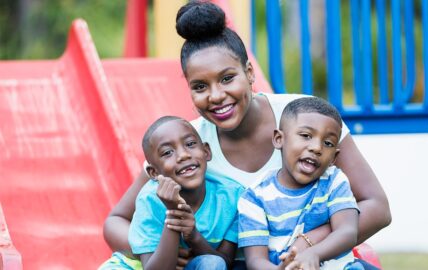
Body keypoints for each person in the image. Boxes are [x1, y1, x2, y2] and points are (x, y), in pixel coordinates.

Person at [102, 0, 391, 268]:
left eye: (228, 78)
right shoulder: (189, 147)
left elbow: (376, 207)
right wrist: (159, 251)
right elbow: (116, 221)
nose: (216, 96)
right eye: (200, 86)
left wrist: (310, 242)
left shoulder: (304, 119)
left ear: (250, 73)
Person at [238, 97, 367, 270]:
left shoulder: (334, 181)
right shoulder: (255, 196)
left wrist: (314, 253)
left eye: (327, 143)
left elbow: (348, 232)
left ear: (334, 158)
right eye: (306, 136)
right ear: (278, 139)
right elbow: (255, 260)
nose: (316, 147)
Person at [100, 116, 243, 270]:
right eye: (168, 152)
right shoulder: (149, 199)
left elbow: (225, 262)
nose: (183, 155)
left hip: (194, 265)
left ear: (206, 151)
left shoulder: (231, 197)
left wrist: (193, 236)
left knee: (213, 263)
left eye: (190, 144)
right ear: (153, 172)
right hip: (135, 267)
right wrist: (174, 214)